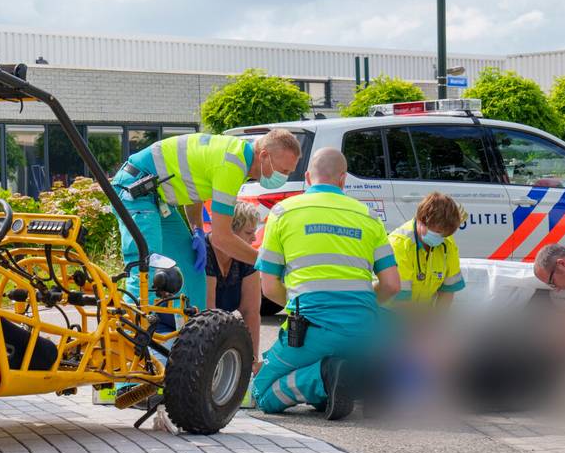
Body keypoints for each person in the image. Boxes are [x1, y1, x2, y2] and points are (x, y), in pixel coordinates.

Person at [251, 147, 401, 420]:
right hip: (364, 330)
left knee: (261, 392)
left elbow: (269, 286)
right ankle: (363, 375)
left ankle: (323, 376)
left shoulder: (283, 212)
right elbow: (392, 284)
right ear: (343, 179)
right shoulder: (368, 216)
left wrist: (299, 305)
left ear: (308, 177)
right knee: (346, 361)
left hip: (309, 329)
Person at [111, 129, 301, 321]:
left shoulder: (238, 158)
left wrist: (197, 229)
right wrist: (269, 264)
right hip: (135, 190)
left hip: (156, 197)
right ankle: (133, 333)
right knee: (146, 268)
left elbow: (194, 188)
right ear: (264, 156)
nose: (285, 177)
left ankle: (192, 335)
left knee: (191, 273)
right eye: (284, 171)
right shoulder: (232, 165)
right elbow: (222, 238)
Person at [206, 202, 263, 362]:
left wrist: (251, 360)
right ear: (229, 232)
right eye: (249, 232)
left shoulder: (246, 257)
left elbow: (251, 312)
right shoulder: (205, 253)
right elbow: (208, 315)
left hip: (216, 322)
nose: (254, 238)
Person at [387, 192, 466, 307]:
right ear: (421, 220)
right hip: (390, 311)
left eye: (445, 234)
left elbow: (448, 290)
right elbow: (399, 299)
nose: (440, 237)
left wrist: (438, 316)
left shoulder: (446, 241)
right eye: (438, 232)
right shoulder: (399, 245)